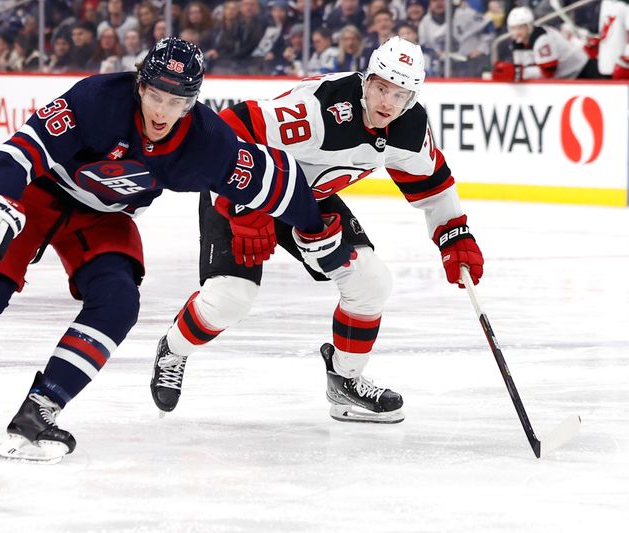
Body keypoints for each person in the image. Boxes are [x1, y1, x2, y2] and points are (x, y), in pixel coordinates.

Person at [0, 38, 344, 463]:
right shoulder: (97, 100)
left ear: (193, 103)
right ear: (139, 85)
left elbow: (274, 183)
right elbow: (17, 151)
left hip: (105, 217)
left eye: (176, 101)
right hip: (40, 197)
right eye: (155, 94)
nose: (161, 110)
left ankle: (41, 409)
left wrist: (315, 228)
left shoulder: (208, 142)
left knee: (118, 303)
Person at [150, 36, 485, 424]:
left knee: (371, 282)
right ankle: (173, 349)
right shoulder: (318, 110)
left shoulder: (409, 128)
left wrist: (453, 234)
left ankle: (345, 382)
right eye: (380, 88)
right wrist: (242, 205)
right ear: (366, 80)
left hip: (305, 198)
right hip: (247, 184)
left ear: (412, 96)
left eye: (400, 94)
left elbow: (432, 183)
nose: (386, 103)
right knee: (231, 298)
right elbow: (230, 129)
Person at [492, 6, 603, 81]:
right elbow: (525, 67)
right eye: (513, 28)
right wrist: (514, 71)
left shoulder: (543, 39)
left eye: (520, 27)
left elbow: (548, 73)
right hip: (567, 77)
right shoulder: (518, 41)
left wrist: (518, 73)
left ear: (529, 26)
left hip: (583, 70)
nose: (516, 32)